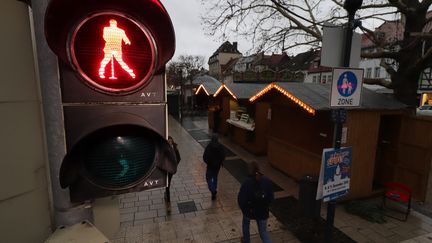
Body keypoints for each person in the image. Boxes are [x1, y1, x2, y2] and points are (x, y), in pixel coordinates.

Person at [238, 162, 274, 243]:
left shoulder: (247, 183)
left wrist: (244, 209)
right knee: (263, 233)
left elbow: (241, 199)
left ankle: (246, 240)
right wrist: (266, 206)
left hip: (249, 210)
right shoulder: (267, 181)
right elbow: (271, 198)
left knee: (245, 225)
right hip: (263, 211)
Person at [203, 134, 225, 200]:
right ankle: (214, 190)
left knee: (208, 178)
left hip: (210, 166)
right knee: (215, 177)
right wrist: (220, 162)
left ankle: (213, 190)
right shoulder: (220, 146)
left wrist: (208, 162)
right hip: (217, 166)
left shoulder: (209, 146)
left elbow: (205, 156)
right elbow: (223, 155)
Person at [165, 136, 180, 212]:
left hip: (171, 170)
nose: (169, 142)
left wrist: (175, 165)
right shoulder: (164, 149)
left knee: (168, 184)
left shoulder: (175, 148)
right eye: (168, 141)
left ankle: (166, 194)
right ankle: (168, 202)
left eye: (170, 141)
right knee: (167, 185)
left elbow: (179, 158)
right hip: (166, 170)